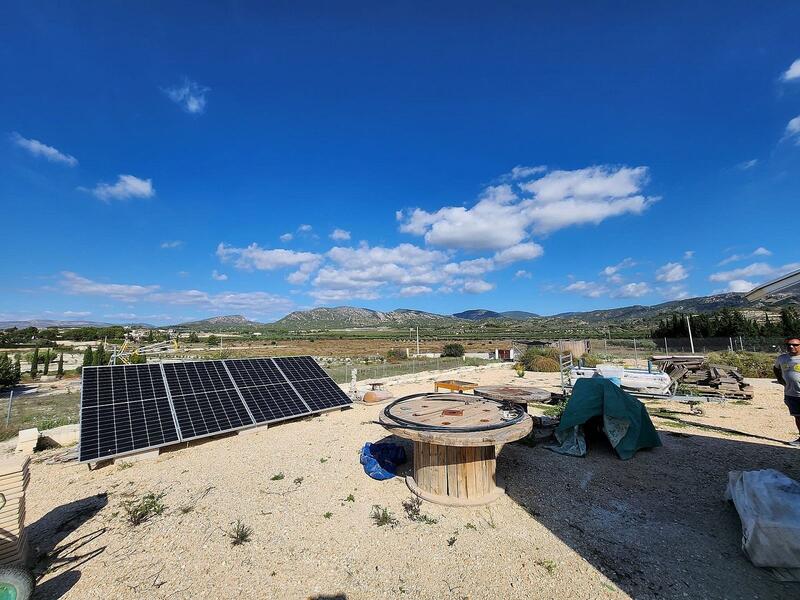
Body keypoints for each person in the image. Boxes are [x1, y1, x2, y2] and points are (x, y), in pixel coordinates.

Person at [774, 337, 800, 447]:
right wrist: (780, 379)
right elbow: (776, 368)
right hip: (791, 394)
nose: (791, 347)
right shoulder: (782, 358)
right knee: (798, 417)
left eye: (795, 345)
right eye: (789, 344)